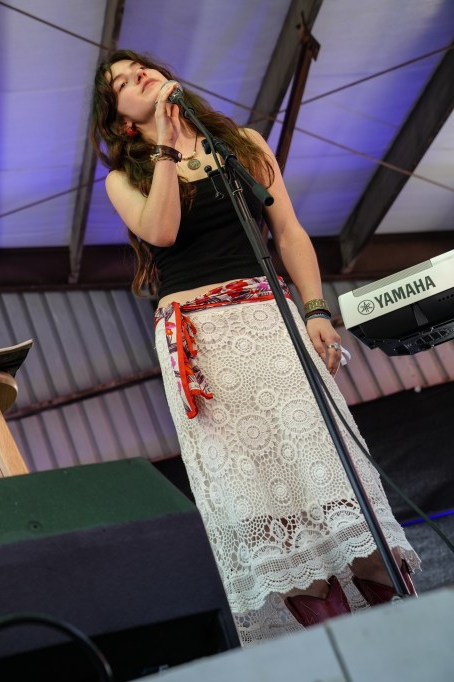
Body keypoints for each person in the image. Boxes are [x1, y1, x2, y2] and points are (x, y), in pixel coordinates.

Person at [89, 51, 420, 644]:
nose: (137, 73)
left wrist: (315, 310)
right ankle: (340, 656)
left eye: (141, 66)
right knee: (269, 509)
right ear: (120, 122)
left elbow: (288, 231)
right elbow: (162, 230)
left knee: (340, 488)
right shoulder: (124, 179)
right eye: (121, 81)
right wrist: (165, 146)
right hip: (203, 346)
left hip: (271, 323)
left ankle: (410, 643)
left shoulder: (241, 145)